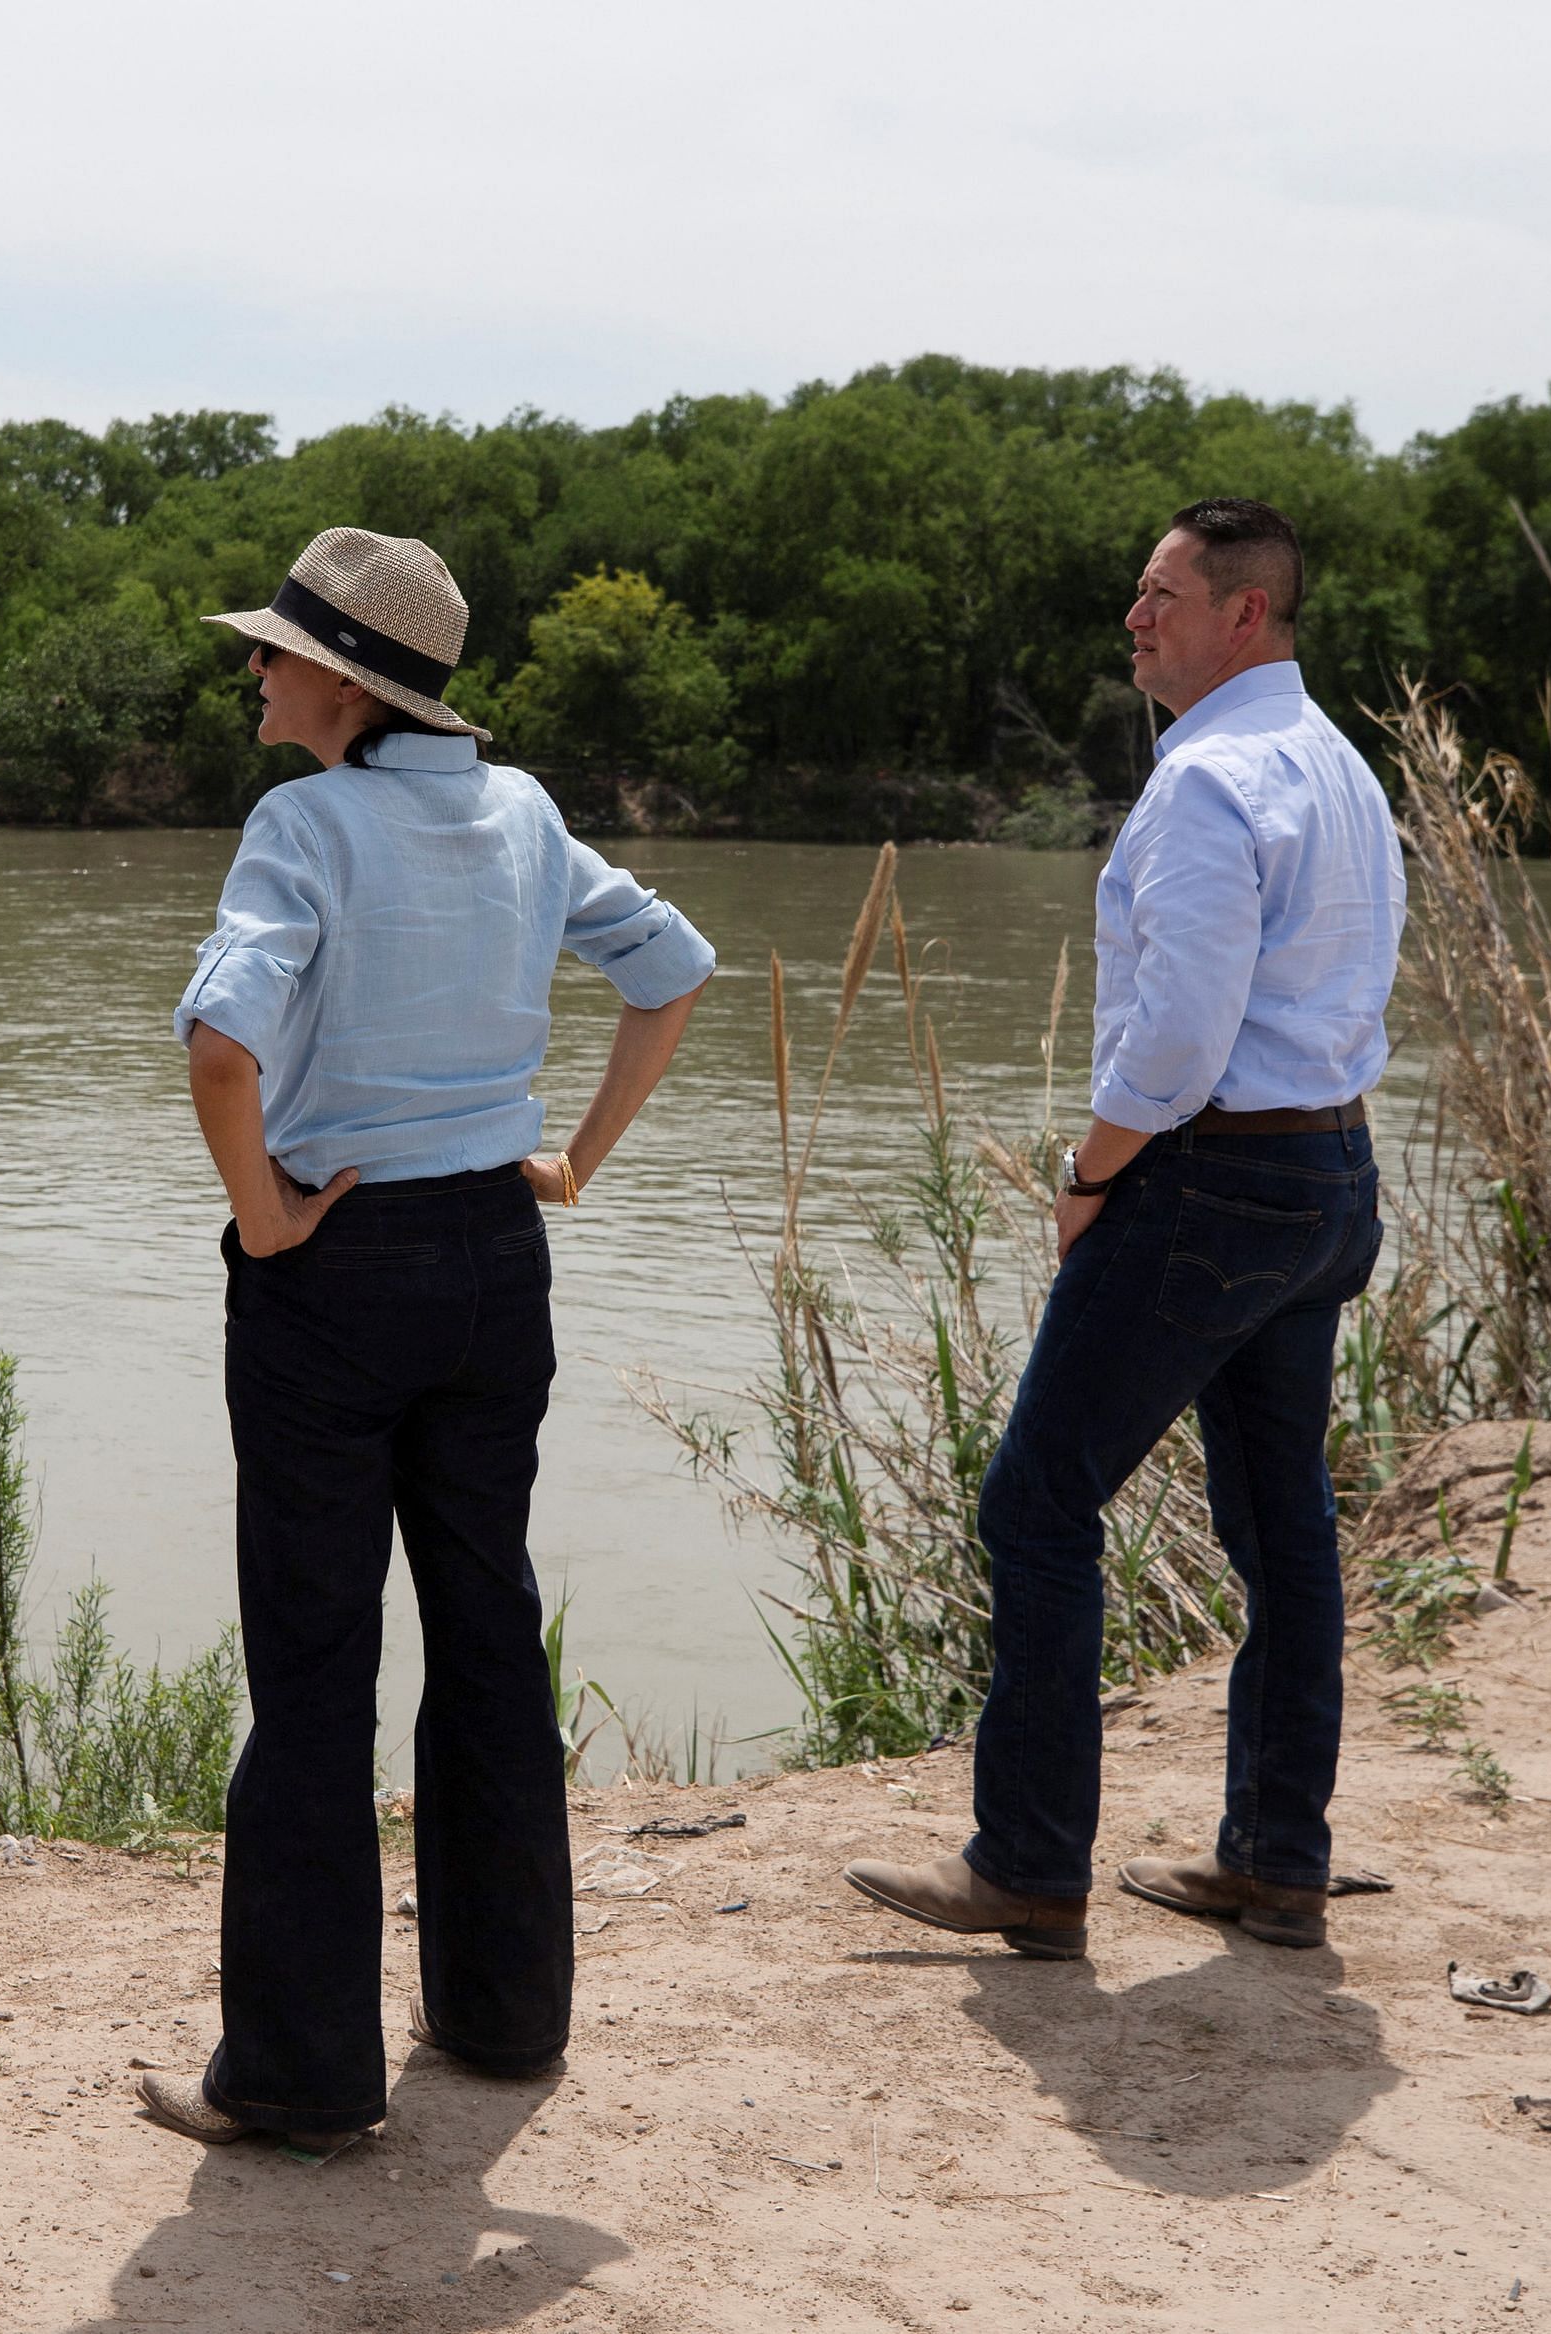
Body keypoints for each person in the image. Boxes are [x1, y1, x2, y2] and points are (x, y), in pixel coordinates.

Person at [140, 528, 716, 2150]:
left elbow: (218, 1046)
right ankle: (504, 2012)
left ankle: (301, 2075)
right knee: (483, 1622)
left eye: (270, 649)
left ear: (341, 677)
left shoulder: (302, 822)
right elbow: (673, 969)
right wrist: (578, 1160)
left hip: (339, 1267)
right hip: (492, 1255)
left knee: (316, 1662)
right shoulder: (522, 810)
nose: (251, 669)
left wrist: (262, 1219)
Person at [844, 498, 1402, 1959]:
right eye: (1137, 592)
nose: (1136, 619)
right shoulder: (1338, 765)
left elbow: (1181, 1031)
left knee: (1036, 1500)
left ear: (1248, 617)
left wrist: (1092, 1171)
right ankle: (1279, 1859)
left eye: (1164, 596)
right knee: (1284, 1525)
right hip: (1332, 1176)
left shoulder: (1210, 780)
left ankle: (1029, 1864)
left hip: (1212, 1182)